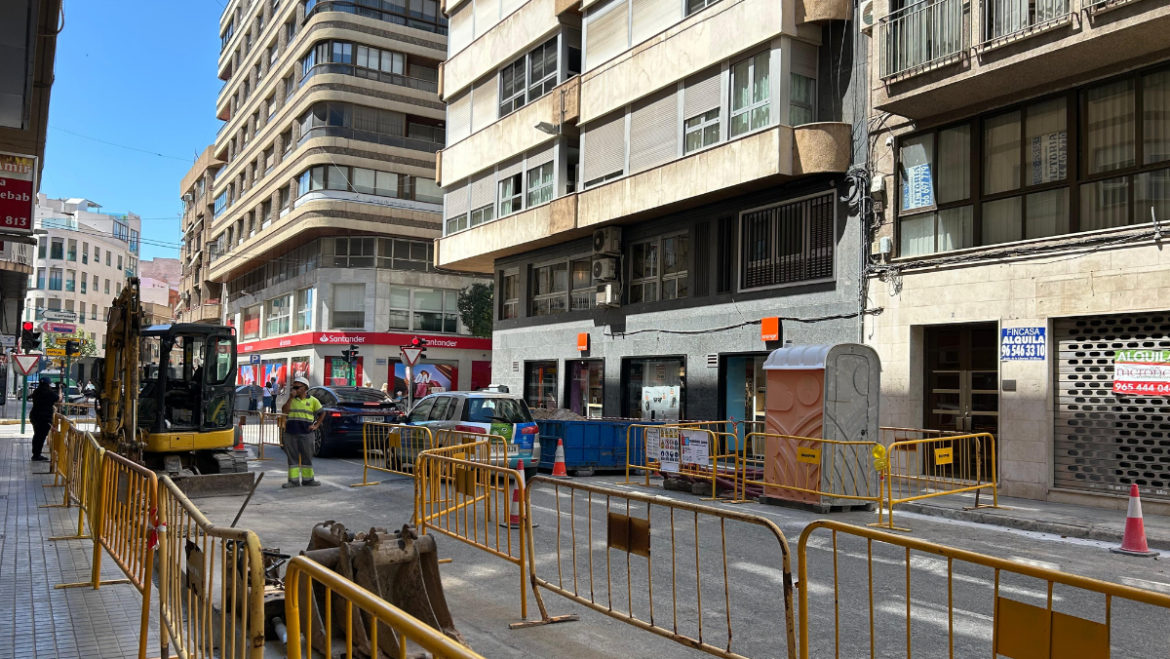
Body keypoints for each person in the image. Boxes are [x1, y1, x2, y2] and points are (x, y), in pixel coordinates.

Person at [281, 376, 324, 488]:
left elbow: (322, 413)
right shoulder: (292, 399)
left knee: (307, 457)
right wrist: (290, 398)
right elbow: (285, 410)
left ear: (304, 387)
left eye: (297, 387)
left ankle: (308, 480)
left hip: (306, 433)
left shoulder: (313, 400)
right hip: (290, 432)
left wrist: (316, 425)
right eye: (293, 387)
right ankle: (293, 481)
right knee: (292, 457)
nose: (294, 389)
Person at [29, 379, 58, 462]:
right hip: (44, 417)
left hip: (35, 416)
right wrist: (59, 389)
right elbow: (58, 398)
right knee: (41, 436)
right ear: (48, 384)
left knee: (37, 435)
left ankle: (35, 454)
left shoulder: (36, 392)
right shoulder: (48, 393)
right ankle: (37, 455)